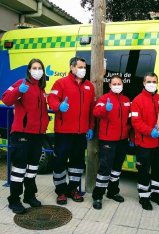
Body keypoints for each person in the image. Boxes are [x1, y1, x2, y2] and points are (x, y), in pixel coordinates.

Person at [2, 58, 49, 214]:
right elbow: (6, 99)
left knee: (32, 169)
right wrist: (18, 91)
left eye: (40, 68)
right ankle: (14, 200)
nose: (37, 70)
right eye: (34, 68)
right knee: (19, 170)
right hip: (22, 134)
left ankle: (30, 196)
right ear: (29, 70)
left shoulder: (42, 88)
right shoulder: (21, 83)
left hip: (37, 135)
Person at [48, 57, 95, 205]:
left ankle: (73, 189)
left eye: (84, 67)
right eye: (80, 67)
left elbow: (91, 110)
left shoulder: (89, 86)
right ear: (72, 67)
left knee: (77, 162)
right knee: (60, 161)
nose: (83, 70)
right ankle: (61, 191)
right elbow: (51, 98)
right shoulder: (61, 83)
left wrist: (91, 127)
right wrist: (58, 106)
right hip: (64, 132)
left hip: (81, 133)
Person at [131, 72, 159, 210]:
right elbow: (136, 122)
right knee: (143, 170)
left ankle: (156, 194)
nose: (152, 84)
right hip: (144, 143)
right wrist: (149, 131)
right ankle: (144, 196)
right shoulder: (137, 100)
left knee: (158, 170)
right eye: (149, 82)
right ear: (143, 83)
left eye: (154, 81)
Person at [92, 75, 131, 210]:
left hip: (122, 140)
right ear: (110, 85)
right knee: (105, 168)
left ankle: (113, 192)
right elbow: (96, 112)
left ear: (122, 84)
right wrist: (105, 109)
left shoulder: (126, 100)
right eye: (114, 83)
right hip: (108, 140)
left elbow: (129, 121)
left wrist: (130, 136)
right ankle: (98, 196)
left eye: (119, 83)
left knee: (117, 168)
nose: (116, 85)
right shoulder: (104, 99)